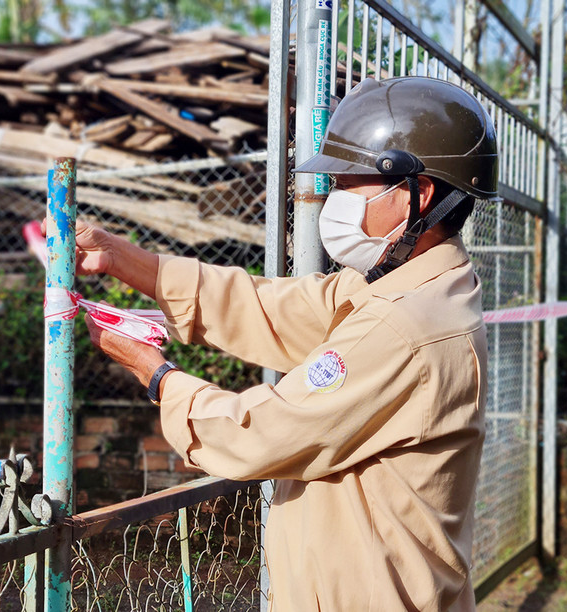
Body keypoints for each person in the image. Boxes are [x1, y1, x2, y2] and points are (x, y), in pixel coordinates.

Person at [64, 76, 497, 611]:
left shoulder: (403, 327)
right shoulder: (410, 285)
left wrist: (155, 373)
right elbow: (269, 308)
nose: (333, 199)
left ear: (419, 193)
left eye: (349, 182)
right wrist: (123, 259)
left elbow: (262, 434)